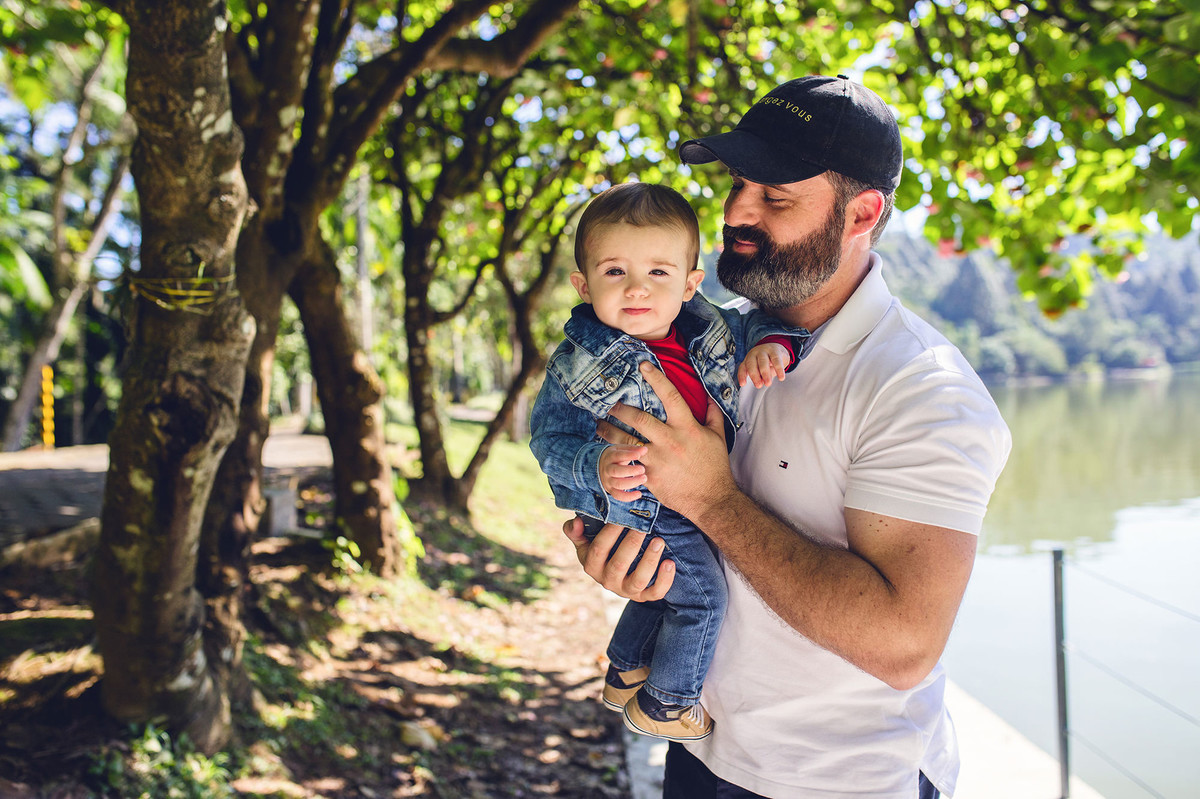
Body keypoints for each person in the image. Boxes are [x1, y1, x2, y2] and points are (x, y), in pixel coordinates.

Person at [563, 75, 1012, 798]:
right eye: (739, 183)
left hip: (838, 781)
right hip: (703, 750)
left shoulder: (923, 389)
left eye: (775, 197)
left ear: (861, 211)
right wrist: (625, 551)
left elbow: (902, 644)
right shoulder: (708, 338)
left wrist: (713, 500)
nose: (737, 210)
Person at [529, 182, 809, 743]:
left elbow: (752, 321)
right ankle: (666, 703)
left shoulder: (708, 328)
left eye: (659, 273)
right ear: (583, 286)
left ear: (689, 283)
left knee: (668, 583)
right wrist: (596, 463)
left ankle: (628, 666)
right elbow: (546, 438)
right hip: (638, 499)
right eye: (615, 273)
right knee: (704, 597)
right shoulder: (581, 360)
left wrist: (772, 344)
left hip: (685, 491)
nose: (637, 289)